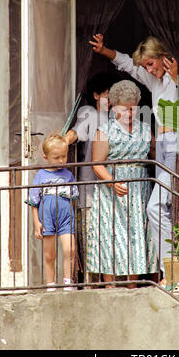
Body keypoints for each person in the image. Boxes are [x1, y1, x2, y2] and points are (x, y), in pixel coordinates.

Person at [89, 34, 179, 286]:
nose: (149, 70)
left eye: (151, 64)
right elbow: (128, 65)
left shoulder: (176, 81)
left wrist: (178, 81)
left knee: (157, 209)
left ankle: (170, 273)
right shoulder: (156, 82)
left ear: (163, 58)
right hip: (164, 146)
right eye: (146, 66)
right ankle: (169, 273)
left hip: (174, 144)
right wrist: (105, 50)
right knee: (161, 210)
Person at [86, 80, 158, 288]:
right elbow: (97, 164)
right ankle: (109, 285)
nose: (130, 112)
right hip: (112, 190)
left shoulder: (145, 129)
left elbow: (155, 155)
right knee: (111, 234)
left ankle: (132, 283)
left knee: (136, 233)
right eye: (125, 108)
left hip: (139, 188)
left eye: (133, 107)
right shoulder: (104, 130)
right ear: (115, 107)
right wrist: (111, 181)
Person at [64, 73, 115, 285]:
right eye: (107, 95)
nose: (111, 100)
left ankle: (109, 281)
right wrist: (61, 143)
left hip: (112, 190)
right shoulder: (90, 114)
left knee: (109, 239)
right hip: (90, 191)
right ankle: (91, 283)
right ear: (95, 95)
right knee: (90, 240)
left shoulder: (118, 118)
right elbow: (74, 133)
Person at [28, 134, 79, 291]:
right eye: (56, 157)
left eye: (64, 156)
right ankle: (50, 284)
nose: (61, 161)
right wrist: (36, 222)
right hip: (47, 217)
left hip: (65, 216)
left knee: (70, 249)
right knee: (49, 254)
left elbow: (73, 197)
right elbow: (33, 201)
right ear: (46, 157)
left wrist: (70, 212)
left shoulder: (68, 175)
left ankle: (68, 282)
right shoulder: (41, 175)